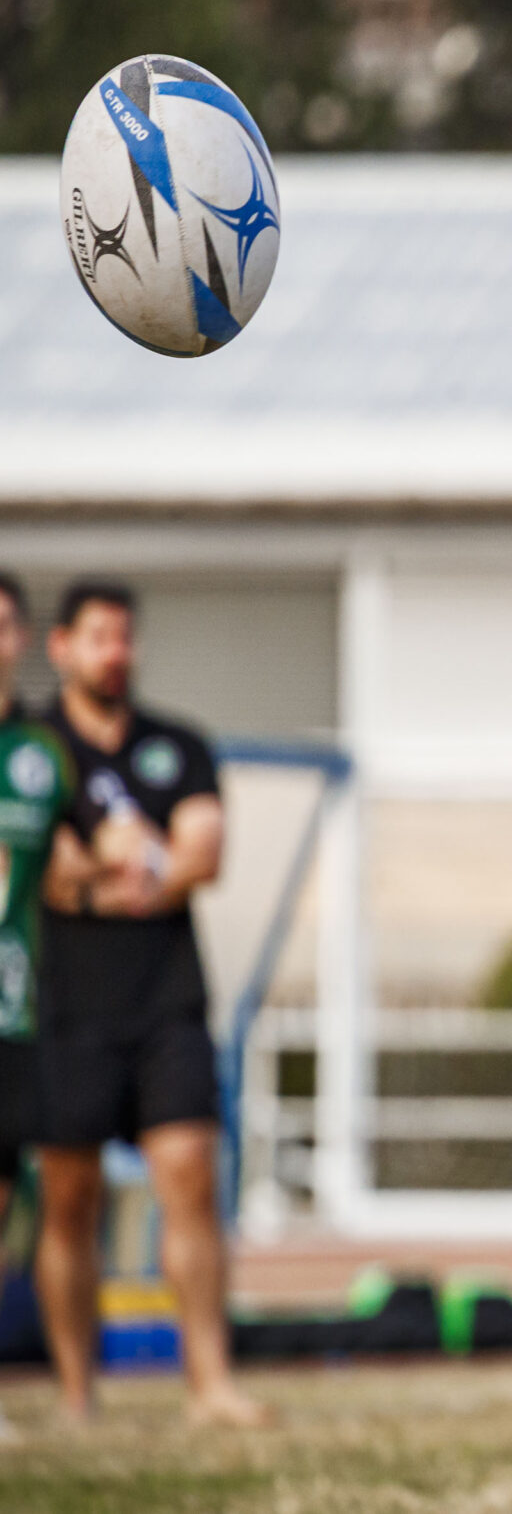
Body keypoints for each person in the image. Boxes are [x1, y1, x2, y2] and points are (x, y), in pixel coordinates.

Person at [34, 578, 267, 1427]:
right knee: (69, 1199)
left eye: (125, 637)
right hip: (66, 1004)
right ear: (60, 647)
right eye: (99, 637)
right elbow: (47, 871)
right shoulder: (31, 747)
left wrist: (132, 862)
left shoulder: (180, 744)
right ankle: (73, 1392)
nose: (116, 653)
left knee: (190, 1178)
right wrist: (106, 868)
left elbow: (202, 853)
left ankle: (210, 1383)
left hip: (165, 1000)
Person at [0, 574, 91, 1440]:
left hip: (15, 1014)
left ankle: (57, 1395)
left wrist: (110, 864)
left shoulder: (41, 754)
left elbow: (70, 862)